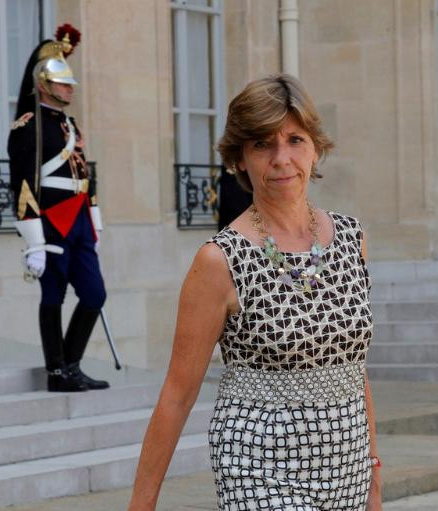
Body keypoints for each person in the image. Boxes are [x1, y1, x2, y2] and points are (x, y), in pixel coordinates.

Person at [129, 75, 382, 510]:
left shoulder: (350, 237)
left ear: (315, 147)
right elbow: (178, 391)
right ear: (240, 159)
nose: (282, 158)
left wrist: (374, 481)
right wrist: (141, 504)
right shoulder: (219, 260)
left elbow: (356, 369)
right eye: (263, 144)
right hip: (259, 465)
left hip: (348, 467)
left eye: (295, 140)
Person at [8, 24, 108, 393]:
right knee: (53, 296)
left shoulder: (69, 124)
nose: (70, 89)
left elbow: (84, 172)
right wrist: (32, 239)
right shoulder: (27, 126)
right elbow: (22, 183)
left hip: (79, 219)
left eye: (70, 84)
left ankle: (71, 363)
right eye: (63, 84)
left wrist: (94, 219)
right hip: (50, 221)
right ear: (44, 86)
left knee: (95, 294)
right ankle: (57, 371)